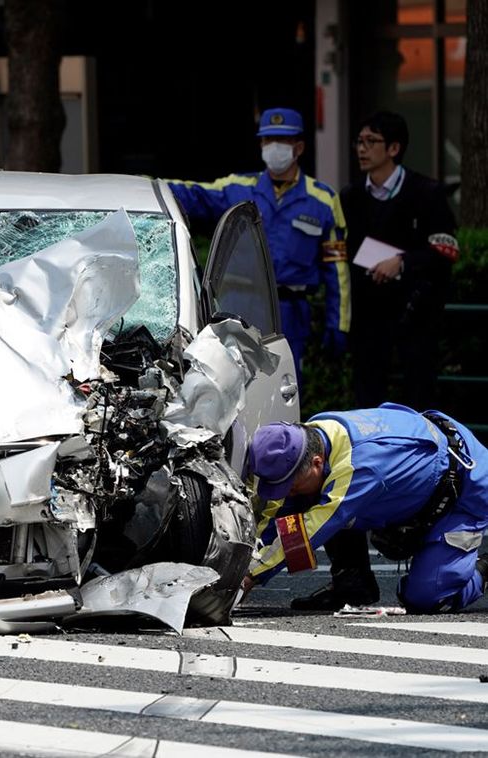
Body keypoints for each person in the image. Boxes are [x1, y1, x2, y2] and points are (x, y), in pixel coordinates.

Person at [243, 404, 488, 612]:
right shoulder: (311, 436)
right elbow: (274, 510)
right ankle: (353, 585)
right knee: (308, 499)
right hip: (414, 479)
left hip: (463, 491)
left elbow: (309, 529)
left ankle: (483, 570)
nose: (286, 493)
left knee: (426, 599)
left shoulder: (360, 467)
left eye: (290, 485)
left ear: (317, 463)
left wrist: (249, 577)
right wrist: (242, 561)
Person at [168, 107, 349, 387]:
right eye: (267, 140)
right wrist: (141, 185)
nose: (273, 147)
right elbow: (191, 194)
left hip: (290, 311)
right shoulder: (238, 187)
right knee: (232, 389)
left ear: (298, 147)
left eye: (281, 140)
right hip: (239, 307)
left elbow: (337, 272)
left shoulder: (323, 200)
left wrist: (339, 324)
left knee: (284, 387)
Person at [342, 111, 459, 410]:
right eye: (359, 141)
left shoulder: (426, 193)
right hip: (369, 315)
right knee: (368, 396)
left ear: (394, 148)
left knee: (419, 395)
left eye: (371, 141)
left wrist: (403, 261)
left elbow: (446, 250)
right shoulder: (351, 196)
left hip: (415, 313)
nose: (361, 148)